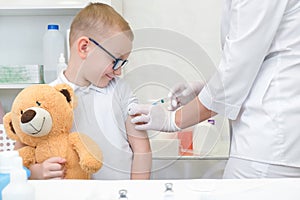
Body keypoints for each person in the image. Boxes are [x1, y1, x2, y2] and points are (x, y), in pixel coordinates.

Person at [129, 0, 300, 178]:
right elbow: (251, 65)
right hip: (275, 137)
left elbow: (236, 69)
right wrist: (205, 91)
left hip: (272, 140)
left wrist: (171, 120)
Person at [15, 2, 152, 180]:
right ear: (84, 48)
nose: (118, 71)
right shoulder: (45, 97)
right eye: (115, 61)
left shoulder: (120, 90)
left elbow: (142, 148)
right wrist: (37, 172)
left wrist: (138, 193)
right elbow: (18, 158)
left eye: (123, 63)